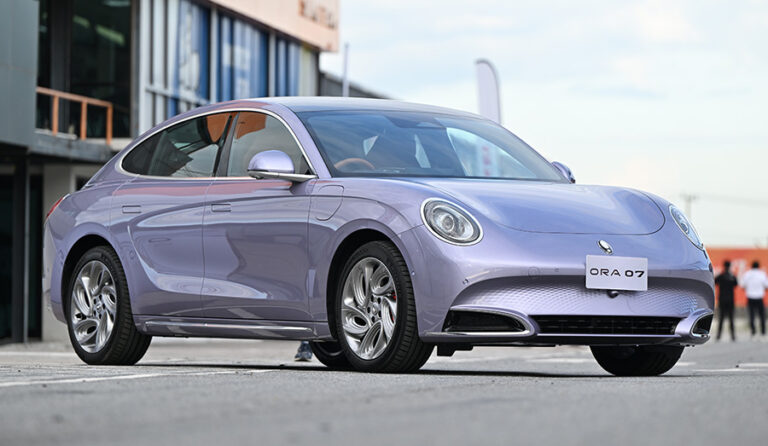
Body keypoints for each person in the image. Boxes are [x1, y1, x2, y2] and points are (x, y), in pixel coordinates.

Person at [740, 260, 768, 337]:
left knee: (751, 315)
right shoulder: (762, 274)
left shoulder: (747, 274)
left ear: (752, 266)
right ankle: (763, 332)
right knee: (762, 315)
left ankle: (753, 332)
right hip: (759, 297)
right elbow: (766, 285)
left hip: (750, 297)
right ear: (758, 266)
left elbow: (742, 285)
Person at [715, 260, 738, 341]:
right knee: (731, 318)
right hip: (730, 300)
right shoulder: (732, 276)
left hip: (722, 299)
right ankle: (733, 336)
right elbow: (736, 284)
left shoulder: (721, 276)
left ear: (724, 266)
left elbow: (715, 282)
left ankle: (718, 336)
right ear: (730, 266)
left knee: (721, 318)